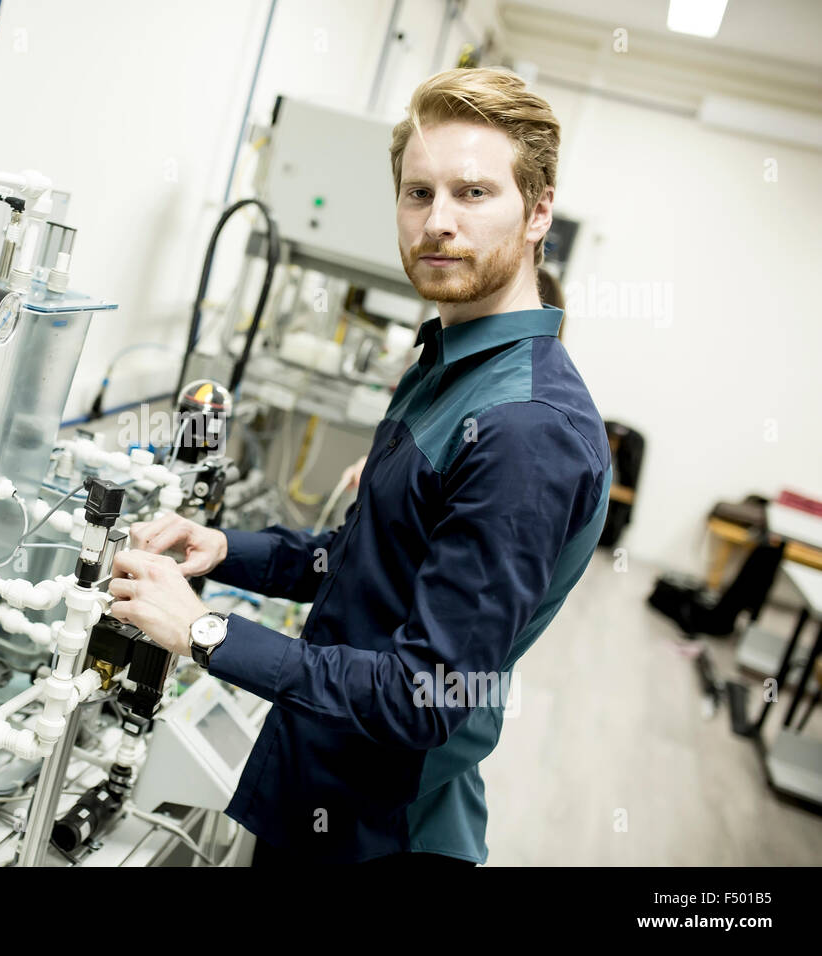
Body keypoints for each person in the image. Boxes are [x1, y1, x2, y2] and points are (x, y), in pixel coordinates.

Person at [108, 67, 611, 865]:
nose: (438, 222)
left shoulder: (525, 429)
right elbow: (362, 563)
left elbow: (425, 695)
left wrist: (203, 630)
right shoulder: (447, 364)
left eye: (473, 194)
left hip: (379, 831)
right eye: (419, 194)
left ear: (539, 210)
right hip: (320, 789)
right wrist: (225, 549)